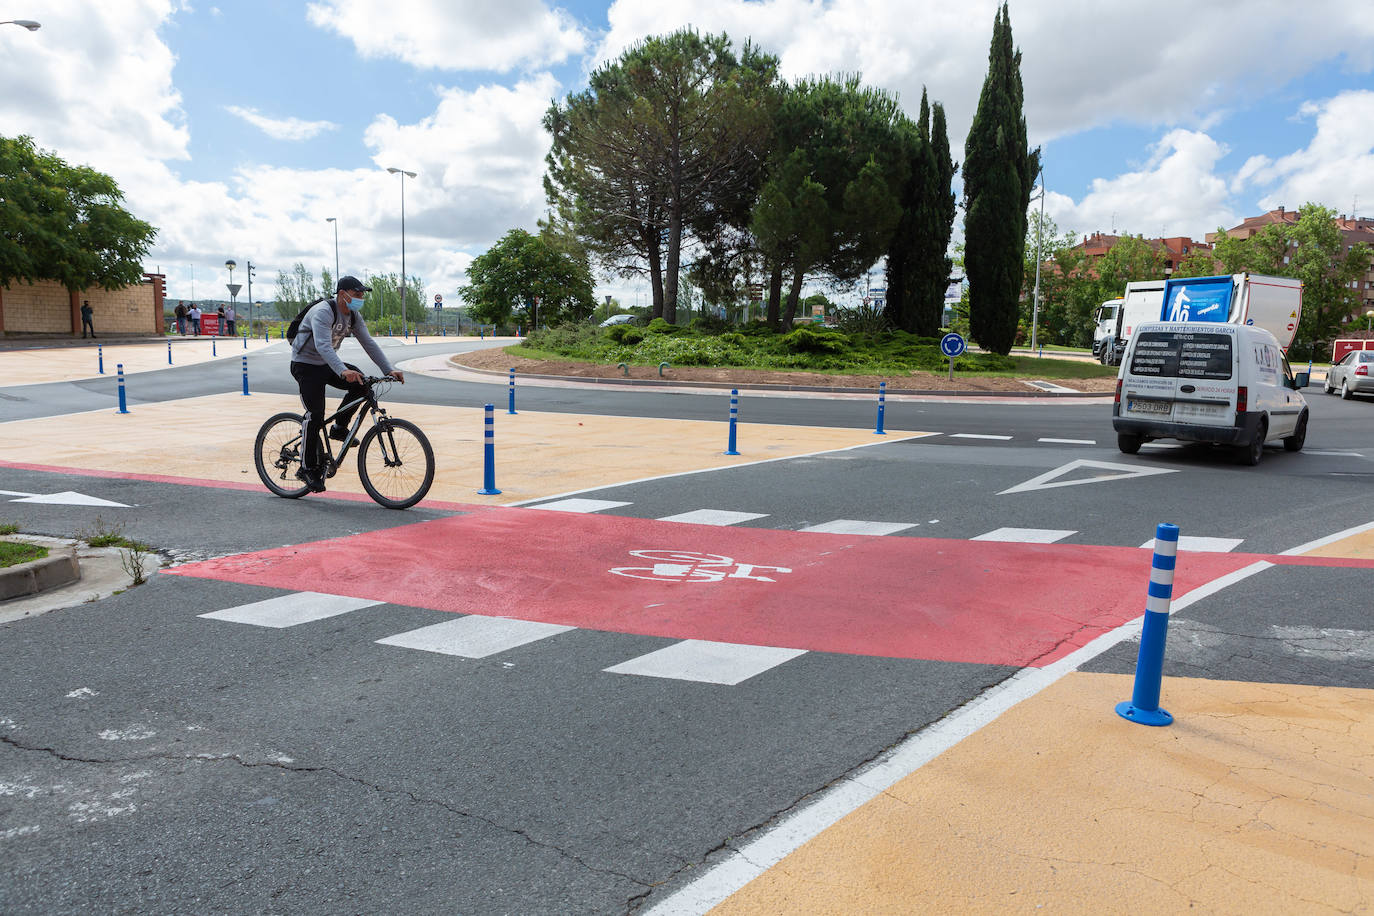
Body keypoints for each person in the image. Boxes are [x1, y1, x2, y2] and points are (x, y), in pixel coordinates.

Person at [289, 276, 405, 493]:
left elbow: (369, 343)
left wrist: (388, 369)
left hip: (326, 363)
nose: (361, 299)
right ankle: (307, 468)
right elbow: (323, 345)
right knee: (315, 414)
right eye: (358, 294)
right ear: (343, 294)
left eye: (362, 295)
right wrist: (342, 370)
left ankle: (339, 428)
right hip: (305, 365)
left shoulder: (353, 316)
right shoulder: (324, 311)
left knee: (362, 382)